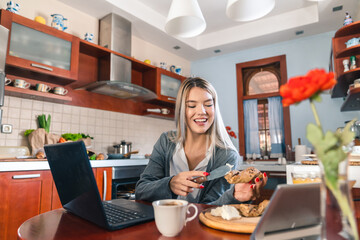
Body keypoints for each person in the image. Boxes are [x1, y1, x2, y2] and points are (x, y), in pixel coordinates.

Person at [135, 77, 267, 205]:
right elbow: (141, 191)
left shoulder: (226, 155)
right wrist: (169, 184)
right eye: (192, 105)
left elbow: (210, 208)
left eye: (208, 104)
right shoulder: (166, 141)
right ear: (182, 110)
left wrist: (233, 197)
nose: (202, 112)